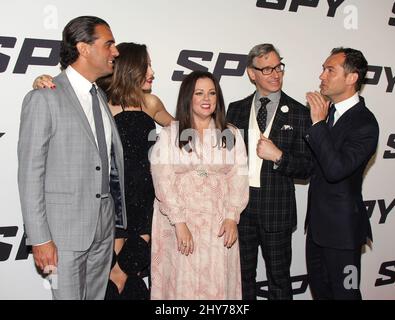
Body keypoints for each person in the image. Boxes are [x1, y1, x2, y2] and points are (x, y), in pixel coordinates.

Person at [33, 43, 173, 299]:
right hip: (112, 202)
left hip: (145, 200)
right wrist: (41, 81)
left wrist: (215, 124)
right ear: (130, 68)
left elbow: (181, 129)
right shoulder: (98, 101)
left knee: (129, 273)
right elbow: (66, 106)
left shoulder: (150, 102)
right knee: (108, 283)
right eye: (146, 65)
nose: (152, 71)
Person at [17, 16, 126, 300]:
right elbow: (30, 174)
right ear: (84, 48)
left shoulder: (99, 95)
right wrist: (40, 238)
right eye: (109, 44)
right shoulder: (45, 97)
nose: (115, 52)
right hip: (63, 232)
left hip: (102, 228)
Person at [150, 70, 249, 299]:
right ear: (188, 97)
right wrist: (179, 222)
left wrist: (232, 216)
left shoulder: (230, 134)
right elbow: (163, 180)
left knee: (217, 283)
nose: (207, 99)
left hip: (219, 222)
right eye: (200, 93)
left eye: (212, 93)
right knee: (182, 285)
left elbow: (239, 177)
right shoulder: (170, 134)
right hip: (179, 222)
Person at [226, 43, 312, 300]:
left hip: (277, 212)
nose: (275, 74)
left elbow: (307, 168)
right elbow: (224, 160)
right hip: (240, 209)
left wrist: (279, 156)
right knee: (242, 280)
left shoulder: (299, 113)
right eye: (266, 69)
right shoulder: (235, 110)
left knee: (279, 281)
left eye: (278, 67)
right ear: (252, 74)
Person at [305, 47, 379, 300]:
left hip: (343, 235)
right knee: (322, 294)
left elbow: (336, 170)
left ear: (352, 78)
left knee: (346, 295)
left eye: (330, 70)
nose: (322, 76)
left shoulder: (365, 123)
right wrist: (279, 157)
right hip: (316, 230)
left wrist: (317, 124)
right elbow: (312, 167)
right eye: (323, 69)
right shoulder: (325, 116)